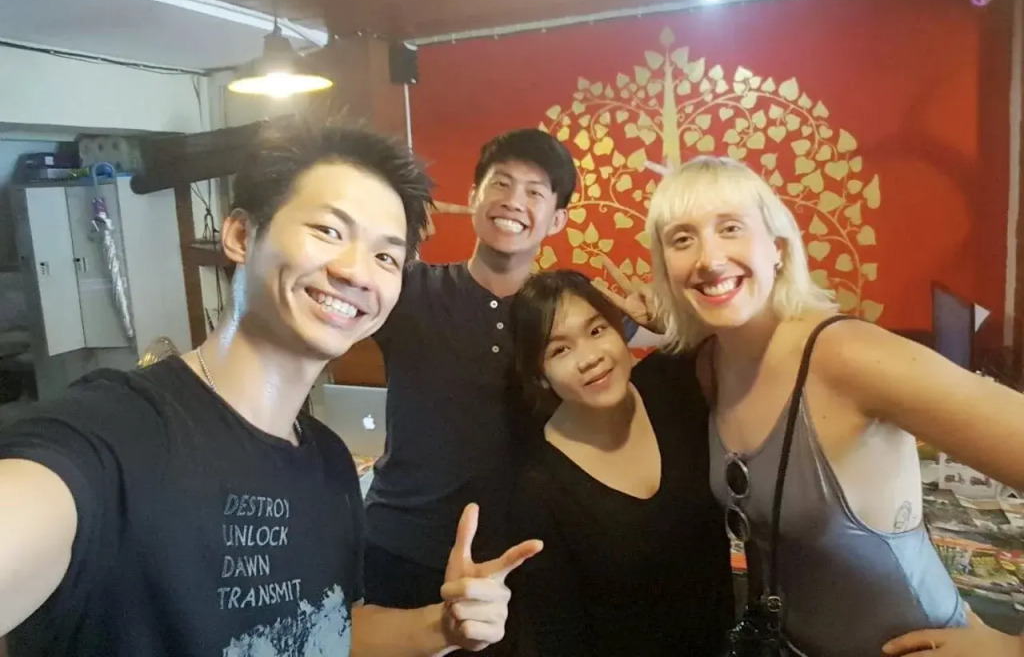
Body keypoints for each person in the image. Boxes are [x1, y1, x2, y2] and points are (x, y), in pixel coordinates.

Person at [0, 124, 541, 657]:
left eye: (386, 257)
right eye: (329, 231)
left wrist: (441, 627)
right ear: (240, 235)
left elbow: (322, 628)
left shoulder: (329, 466)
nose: (357, 272)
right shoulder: (116, 434)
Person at [645, 154, 1024, 657]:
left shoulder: (848, 356)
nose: (708, 258)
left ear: (778, 249)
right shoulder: (709, 365)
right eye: (682, 239)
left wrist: (1009, 649)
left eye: (731, 228)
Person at [362, 129, 578, 627]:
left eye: (534, 192)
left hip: (520, 558)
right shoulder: (408, 289)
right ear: (473, 196)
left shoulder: (565, 315)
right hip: (398, 546)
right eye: (500, 183)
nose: (513, 201)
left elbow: (657, 331)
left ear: (556, 219)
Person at [506, 270, 734, 656]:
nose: (590, 358)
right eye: (560, 350)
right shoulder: (538, 487)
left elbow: (758, 346)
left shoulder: (672, 382)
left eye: (597, 330)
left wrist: (679, 321)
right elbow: (555, 635)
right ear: (539, 376)